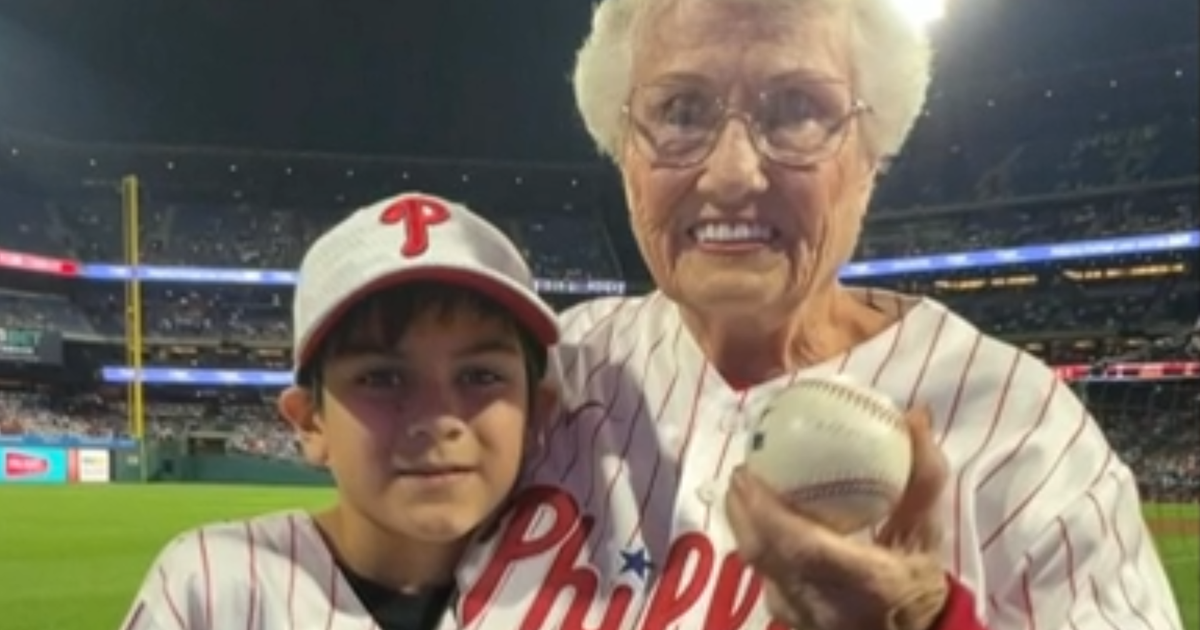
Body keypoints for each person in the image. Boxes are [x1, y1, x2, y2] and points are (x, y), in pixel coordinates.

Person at [443, 0, 1185, 629]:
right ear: (623, 147)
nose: (732, 173)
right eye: (679, 111)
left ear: (872, 152)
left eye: (798, 108)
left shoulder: (1022, 429)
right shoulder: (548, 370)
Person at [116, 192, 560, 630]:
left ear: (536, 413)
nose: (438, 418)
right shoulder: (217, 586)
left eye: (481, 376)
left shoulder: (590, 592)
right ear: (310, 421)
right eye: (382, 378)